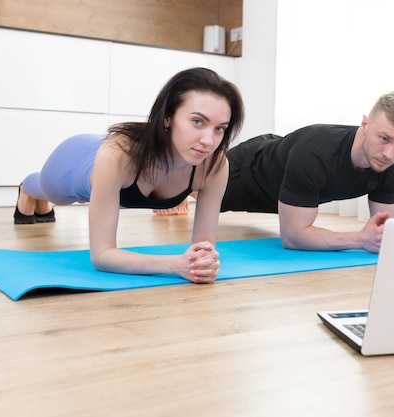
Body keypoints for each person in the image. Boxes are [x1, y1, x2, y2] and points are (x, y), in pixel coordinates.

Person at [14, 67, 245, 283]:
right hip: (74, 161)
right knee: (51, 194)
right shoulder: (116, 155)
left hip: (114, 179)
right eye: (197, 121)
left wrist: (201, 263)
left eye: (219, 129)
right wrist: (174, 265)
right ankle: (26, 187)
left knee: (102, 196)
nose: (208, 140)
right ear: (167, 117)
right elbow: (102, 255)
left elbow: (203, 251)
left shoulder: (215, 165)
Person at [160, 91, 394, 252]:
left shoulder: (389, 167)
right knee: (195, 186)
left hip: (285, 162)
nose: (390, 153)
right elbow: (294, 237)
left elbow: (387, 233)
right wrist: (359, 239)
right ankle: (176, 189)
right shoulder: (316, 153)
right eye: (384, 138)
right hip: (250, 170)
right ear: (364, 124)